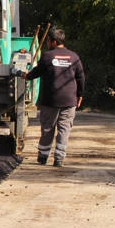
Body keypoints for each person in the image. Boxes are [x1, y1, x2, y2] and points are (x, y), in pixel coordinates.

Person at [24, 27, 85, 167]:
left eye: (47, 41)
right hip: (70, 100)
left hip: (50, 99)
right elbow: (81, 77)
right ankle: (59, 158)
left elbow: (36, 72)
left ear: (53, 41)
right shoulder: (74, 57)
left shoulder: (47, 56)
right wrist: (80, 95)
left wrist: (26, 75)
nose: (47, 44)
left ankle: (43, 157)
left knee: (47, 128)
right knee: (64, 129)